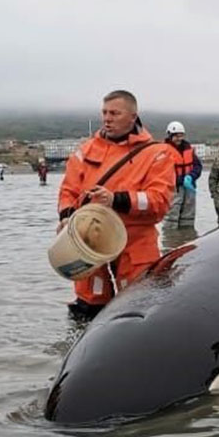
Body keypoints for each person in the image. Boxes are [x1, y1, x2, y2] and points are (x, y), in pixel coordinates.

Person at [57, 89, 174, 319]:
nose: (107, 118)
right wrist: (67, 216)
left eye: (114, 113)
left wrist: (117, 199)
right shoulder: (85, 151)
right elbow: (68, 190)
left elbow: (159, 201)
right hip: (89, 241)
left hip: (135, 239)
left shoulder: (157, 154)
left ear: (133, 117)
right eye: (104, 112)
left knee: (139, 307)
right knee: (87, 306)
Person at [162, 121, 202, 231]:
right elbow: (162, 173)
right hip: (174, 189)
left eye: (181, 136)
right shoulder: (164, 151)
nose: (179, 139)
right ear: (170, 136)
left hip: (189, 188)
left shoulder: (189, 149)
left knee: (188, 217)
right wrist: (180, 180)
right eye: (176, 136)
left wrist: (191, 177)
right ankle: (171, 243)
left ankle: (187, 239)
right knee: (171, 218)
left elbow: (198, 166)